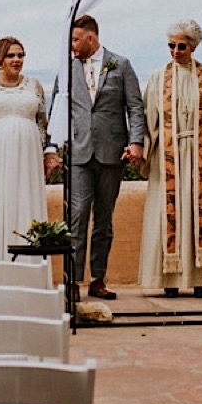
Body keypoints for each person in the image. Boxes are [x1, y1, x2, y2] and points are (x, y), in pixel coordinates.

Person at [140, 20, 202, 298]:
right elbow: (149, 121)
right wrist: (141, 149)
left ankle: (201, 278)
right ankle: (169, 280)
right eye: (171, 45)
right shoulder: (158, 78)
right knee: (168, 213)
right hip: (167, 157)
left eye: (181, 46)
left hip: (201, 156)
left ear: (192, 47)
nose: (176, 51)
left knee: (199, 212)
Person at [66, 15, 145, 301]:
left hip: (112, 153)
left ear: (91, 38)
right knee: (76, 216)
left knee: (104, 220)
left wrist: (136, 142)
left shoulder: (120, 65)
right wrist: (52, 147)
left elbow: (135, 107)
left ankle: (98, 279)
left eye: (75, 39)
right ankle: (72, 280)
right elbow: (59, 108)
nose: (71, 45)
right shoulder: (67, 67)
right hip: (79, 152)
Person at [0, 36, 58, 263]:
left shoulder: (34, 86)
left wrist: (49, 153)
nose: (16, 60)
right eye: (10, 55)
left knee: (25, 203)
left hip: (27, 158)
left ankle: (29, 268)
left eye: (20, 55)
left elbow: (44, 124)